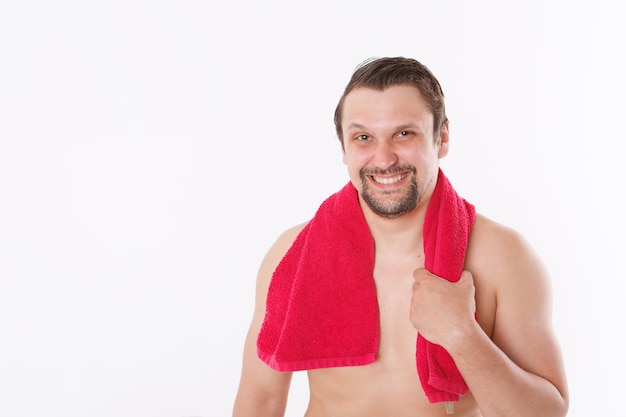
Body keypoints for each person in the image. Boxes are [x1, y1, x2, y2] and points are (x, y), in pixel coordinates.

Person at [232, 57, 569, 417]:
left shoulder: (502, 257)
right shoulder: (293, 254)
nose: (384, 158)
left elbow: (546, 413)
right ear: (344, 149)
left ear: (442, 137)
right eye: (363, 137)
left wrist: (462, 337)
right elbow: (261, 401)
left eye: (404, 134)